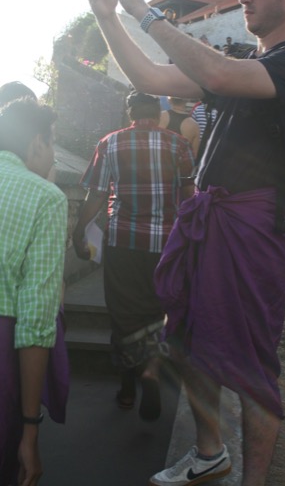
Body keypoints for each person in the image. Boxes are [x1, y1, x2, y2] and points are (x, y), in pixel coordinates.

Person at [87, 0, 285, 486]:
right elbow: (150, 76)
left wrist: (145, 11)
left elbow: (216, 75)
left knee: (254, 364)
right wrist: (107, 16)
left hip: (253, 227)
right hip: (210, 218)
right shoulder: (248, 62)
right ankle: (210, 452)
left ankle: (254, 480)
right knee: (189, 339)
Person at [72, 91, 194, 420]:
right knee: (158, 309)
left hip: (122, 243)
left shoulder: (110, 143)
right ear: (159, 113)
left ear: (130, 113)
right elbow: (188, 196)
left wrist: (79, 229)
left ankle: (126, 388)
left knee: (123, 314)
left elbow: (97, 193)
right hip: (166, 245)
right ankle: (152, 369)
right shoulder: (178, 144)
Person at [0, 98, 68, 486]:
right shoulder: (45, 198)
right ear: (37, 144)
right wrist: (30, 427)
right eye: (53, 142)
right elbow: (36, 323)